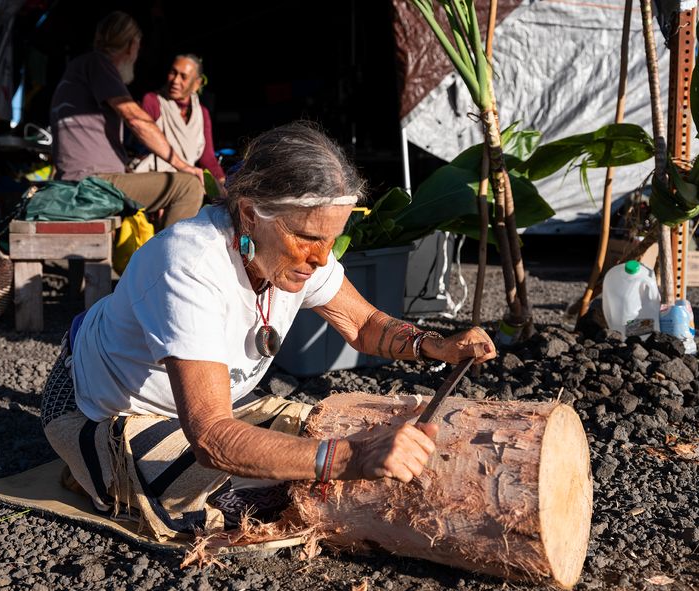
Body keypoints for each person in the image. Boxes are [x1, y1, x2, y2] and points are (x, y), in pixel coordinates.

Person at [40, 121, 496, 540]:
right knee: (241, 501)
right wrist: (352, 458)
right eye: (308, 238)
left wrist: (435, 346)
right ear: (251, 213)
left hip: (206, 407)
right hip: (103, 408)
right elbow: (213, 437)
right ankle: (88, 464)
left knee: (320, 440)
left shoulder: (292, 250)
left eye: (330, 239)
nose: (321, 259)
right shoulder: (188, 264)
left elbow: (363, 323)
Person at [49, 11, 204, 229]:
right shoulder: (98, 64)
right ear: (132, 46)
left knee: (169, 188)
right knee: (189, 186)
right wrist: (181, 165)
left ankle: (155, 255)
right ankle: (166, 262)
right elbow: (135, 118)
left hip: (86, 181)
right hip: (92, 184)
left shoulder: (80, 67)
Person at [134, 54, 226, 186]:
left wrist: (222, 183)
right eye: (173, 72)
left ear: (197, 83)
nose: (175, 80)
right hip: (153, 179)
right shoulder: (153, 101)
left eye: (183, 76)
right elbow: (142, 143)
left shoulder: (202, 113)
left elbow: (208, 159)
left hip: (185, 181)